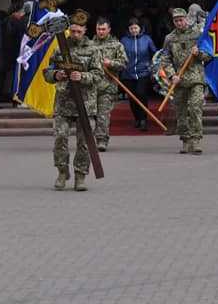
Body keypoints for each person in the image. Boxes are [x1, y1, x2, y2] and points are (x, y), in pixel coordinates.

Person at [43, 11, 103, 191]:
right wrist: (56, 74)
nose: (75, 34)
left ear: (85, 30)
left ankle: (80, 175)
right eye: (73, 31)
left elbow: (99, 76)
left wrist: (82, 76)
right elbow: (47, 72)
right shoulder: (60, 48)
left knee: (84, 142)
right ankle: (62, 172)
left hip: (85, 104)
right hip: (64, 102)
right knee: (60, 138)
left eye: (79, 31)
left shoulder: (93, 50)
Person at [160, 8, 213, 154]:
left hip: (196, 77)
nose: (179, 23)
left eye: (181, 20)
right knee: (181, 112)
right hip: (179, 80)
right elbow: (165, 59)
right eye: (176, 21)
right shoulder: (169, 38)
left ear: (186, 19)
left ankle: (196, 140)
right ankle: (185, 139)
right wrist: (171, 76)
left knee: (195, 108)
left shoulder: (198, 35)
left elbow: (209, 56)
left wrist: (199, 53)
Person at [91, 18, 128, 152]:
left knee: (103, 115)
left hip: (107, 86)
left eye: (103, 29)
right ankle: (90, 138)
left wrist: (111, 63)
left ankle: (101, 140)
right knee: (91, 115)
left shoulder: (116, 45)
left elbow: (124, 64)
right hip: (91, 86)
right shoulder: (89, 45)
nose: (100, 32)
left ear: (109, 30)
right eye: (98, 29)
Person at [120, 18, 157, 131]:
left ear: (140, 28)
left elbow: (155, 54)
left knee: (141, 93)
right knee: (132, 97)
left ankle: (143, 119)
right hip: (128, 73)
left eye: (135, 28)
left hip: (143, 72)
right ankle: (137, 118)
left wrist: (151, 67)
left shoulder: (147, 39)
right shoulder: (124, 40)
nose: (134, 30)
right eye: (131, 28)